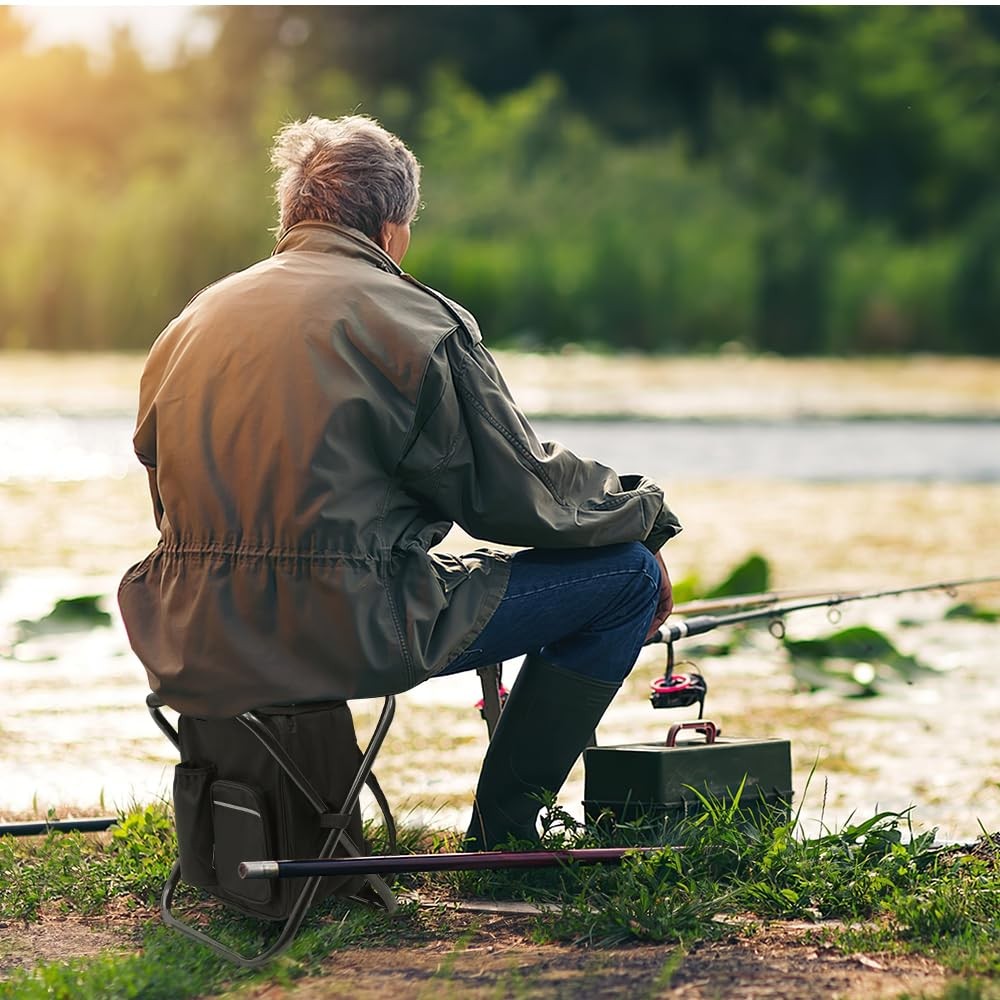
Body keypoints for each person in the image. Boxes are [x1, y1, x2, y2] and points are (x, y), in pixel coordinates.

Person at [119, 115, 682, 850]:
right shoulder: (413, 321)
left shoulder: (192, 319)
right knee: (628, 580)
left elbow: (167, 492)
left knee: (440, 573)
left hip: (190, 626)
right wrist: (646, 514)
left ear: (291, 216)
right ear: (393, 230)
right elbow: (521, 496)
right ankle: (505, 837)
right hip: (343, 627)